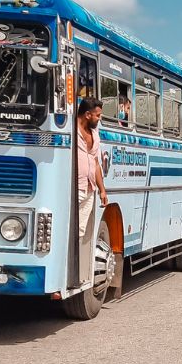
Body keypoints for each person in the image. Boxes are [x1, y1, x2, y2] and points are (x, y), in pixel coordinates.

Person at [77, 98, 108, 282]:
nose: (99, 119)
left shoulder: (94, 135)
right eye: (98, 115)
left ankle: (75, 270)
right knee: (68, 230)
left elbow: (96, 163)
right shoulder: (71, 131)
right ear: (87, 115)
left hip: (89, 189)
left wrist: (102, 190)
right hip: (74, 188)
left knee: (80, 231)